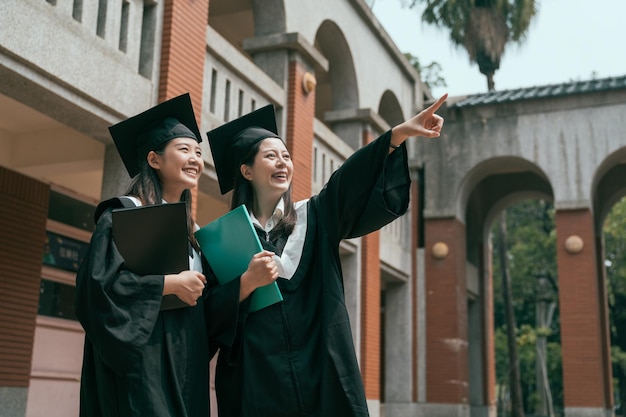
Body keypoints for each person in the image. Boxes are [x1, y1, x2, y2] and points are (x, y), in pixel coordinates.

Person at [205, 94, 447, 417]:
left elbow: (348, 180)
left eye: (286, 156)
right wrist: (244, 285)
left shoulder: (315, 218)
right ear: (246, 171)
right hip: (256, 386)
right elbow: (205, 321)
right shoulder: (222, 241)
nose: (283, 162)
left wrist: (396, 136)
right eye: (271, 156)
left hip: (321, 375)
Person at [75, 93, 237, 417]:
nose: (195, 159)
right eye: (184, 150)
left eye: (198, 153)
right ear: (154, 159)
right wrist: (167, 285)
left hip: (187, 360)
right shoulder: (123, 216)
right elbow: (95, 289)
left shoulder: (196, 235)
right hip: (141, 360)